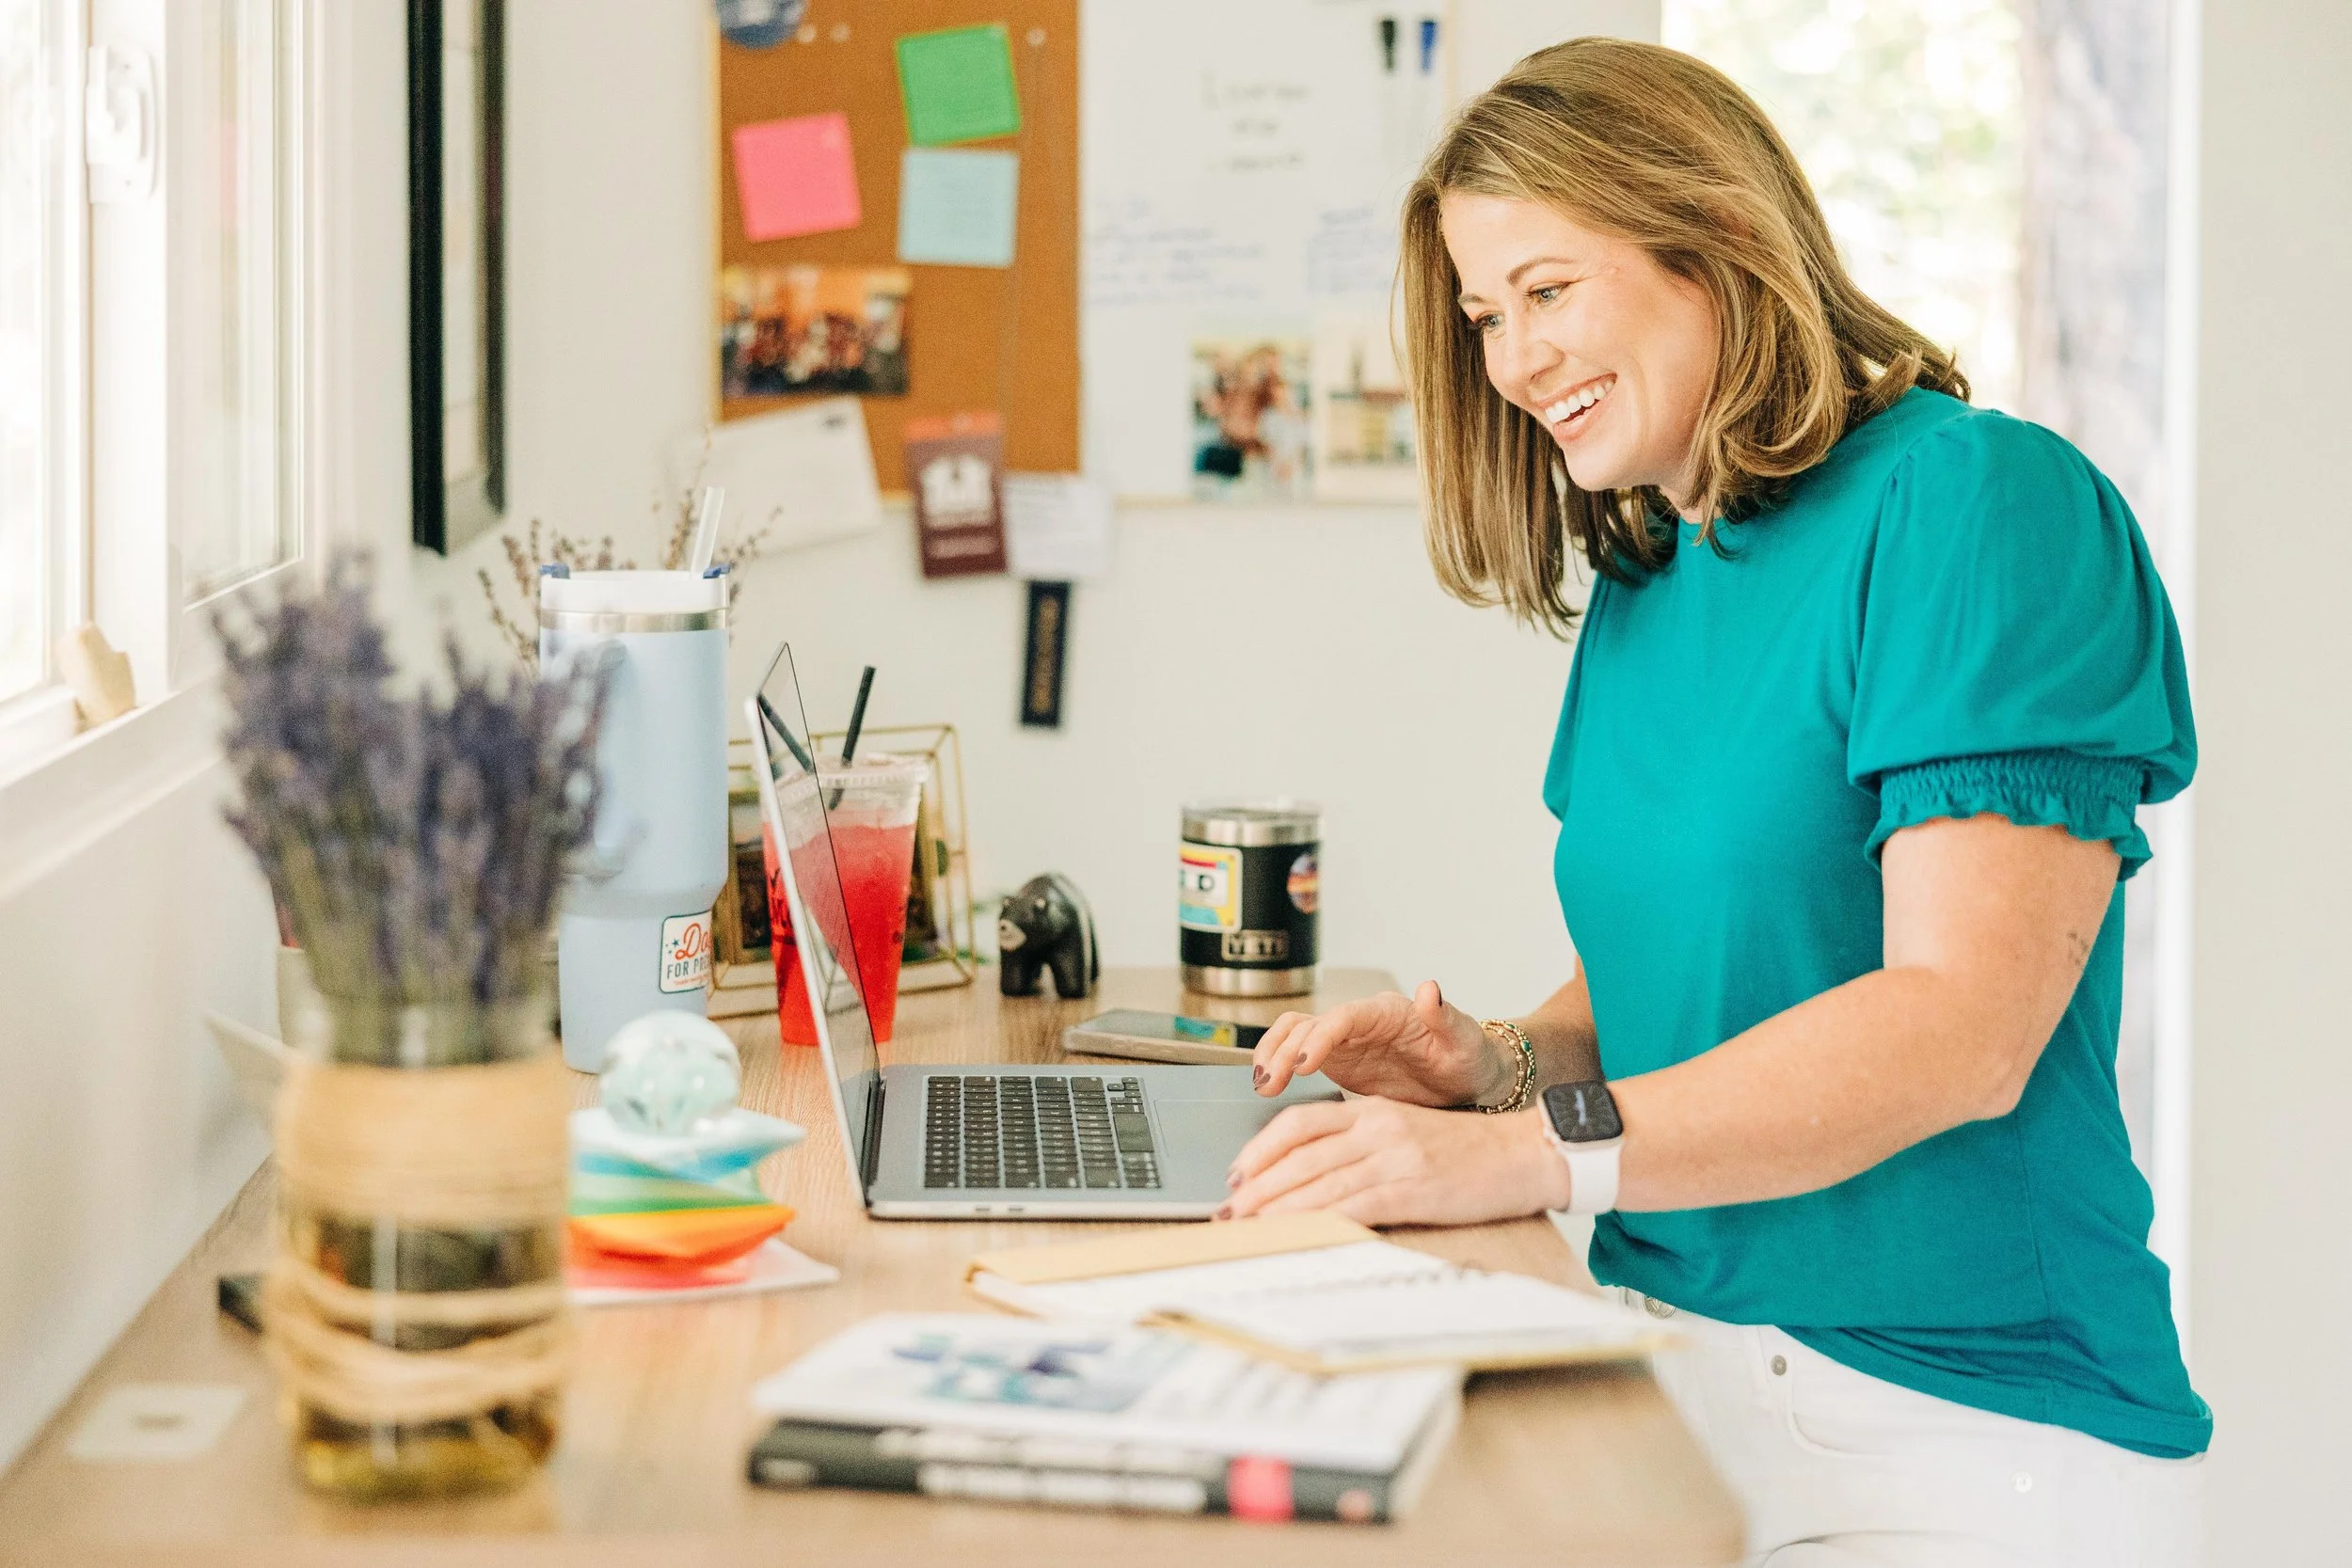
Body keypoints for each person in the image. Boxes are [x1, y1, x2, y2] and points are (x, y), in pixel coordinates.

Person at [1228, 38, 2205, 1568]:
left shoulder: (1977, 505)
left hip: (1947, 1426)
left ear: (1721, 239)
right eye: (1486, 315)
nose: (1510, 360)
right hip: (1680, 1362)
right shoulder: (1656, 566)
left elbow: (1960, 1026)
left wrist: (1528, 1152)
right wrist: (1486, 1063)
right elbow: (1674, 995)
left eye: (1547, 291)